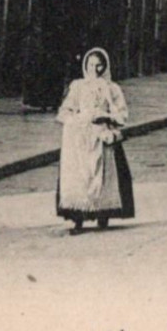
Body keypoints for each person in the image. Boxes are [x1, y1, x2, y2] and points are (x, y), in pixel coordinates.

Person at [55, 48, 134, 233]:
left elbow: (122, 113)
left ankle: (103, 213)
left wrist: (106, 116)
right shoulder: (78, 87)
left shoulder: (112, 89)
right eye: (91, 65)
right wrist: (76, 121)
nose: (94, 69)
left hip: (102, 133)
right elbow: (66, 110)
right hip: (81, 137)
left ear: (104, 66)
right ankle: (78, 217)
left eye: (98, 65)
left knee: (104, 175)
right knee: (81, 176)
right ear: (85, 65)